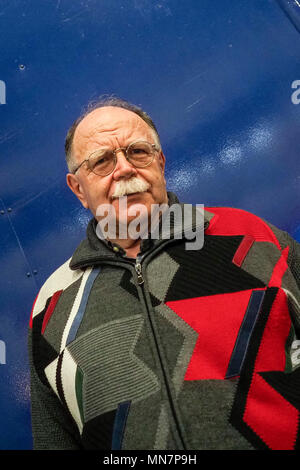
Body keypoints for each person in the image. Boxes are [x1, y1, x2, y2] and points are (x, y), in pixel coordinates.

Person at [28, 96, 300, 450]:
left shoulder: (256, 239)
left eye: (138, 152)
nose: (124, 169)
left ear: (160, 162)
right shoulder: (52, 305)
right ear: (79, 189)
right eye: (102, 161)